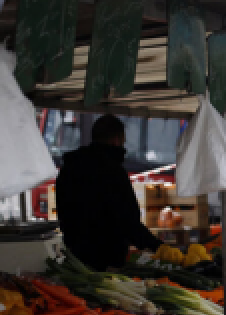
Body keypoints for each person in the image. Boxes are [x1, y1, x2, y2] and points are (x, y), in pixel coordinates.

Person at [56, 115, 163, 271]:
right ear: (116, 139)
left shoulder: (68, 169)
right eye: (123, 142)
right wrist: (158, 247)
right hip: (106, 264)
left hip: (75, 261)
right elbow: (129, 222)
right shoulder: (113, 172)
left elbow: (64, 215)